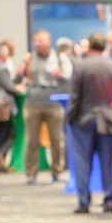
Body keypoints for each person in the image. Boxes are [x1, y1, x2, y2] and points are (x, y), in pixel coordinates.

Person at [67, 32, 112, 213]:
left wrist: (70, 117)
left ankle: (84, 201)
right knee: (109, 161)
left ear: (89, 46)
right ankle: (109, 200)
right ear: (104, 46)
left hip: (84, 120)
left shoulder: (80, 66)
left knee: (83, 161)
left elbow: (75, 97)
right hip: (109, 120)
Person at [23, 29, 73, 184]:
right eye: (36, 41)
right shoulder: (29, 58)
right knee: (31, 140)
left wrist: (59, 74)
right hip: (33, 104)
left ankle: (57, 171)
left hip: (54, 104)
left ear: (49, 40)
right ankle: (31, 174)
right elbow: (20, 78)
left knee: (57, 139)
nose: (39, 44)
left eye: (41, 40)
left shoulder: (59, 57)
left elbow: (69, 77)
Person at [0, 40, 24, 173]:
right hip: (3, 103)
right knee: (10, 132)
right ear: (2, 54)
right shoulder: (2, 67)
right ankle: (0, 155)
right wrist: (19, 90)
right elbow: (9, 87)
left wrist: (19, 76)